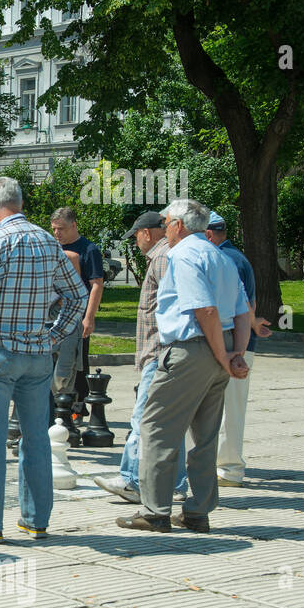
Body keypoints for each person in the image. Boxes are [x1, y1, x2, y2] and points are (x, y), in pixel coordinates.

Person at [0, 177, 87, 542]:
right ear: (19, 202)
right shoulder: (47, 241)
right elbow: (77, 295)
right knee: (36, 438)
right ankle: (36, 520)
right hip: (38, 355)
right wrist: (53, 335)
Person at [116, 199, 250, 534]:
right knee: (204, 436)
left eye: (165, 222)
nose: (163, 228)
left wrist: (222, 356)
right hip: (222, 347)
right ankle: (198, 511)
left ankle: (155, 511)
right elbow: (244, 310)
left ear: (177, 224)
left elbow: (203, 310)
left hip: (193, 350)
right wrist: (236, 355)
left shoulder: (184, 254)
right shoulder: (220, 256)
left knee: (156, 427)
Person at [94, 211, 188, 504]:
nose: (135, 243)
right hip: (167, 352)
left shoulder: (162, 258)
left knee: (143, 419)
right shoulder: (167, 256)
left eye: (135, 236)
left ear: (147, 233)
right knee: (170, 422)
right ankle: (176, 483)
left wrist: (155, 353)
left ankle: (133, 481)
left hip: (159, 353)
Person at [206, 211, 271, 487]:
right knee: (227, 407)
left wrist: (236, 351)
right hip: (235, 343)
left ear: (209, 234)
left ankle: (230, 469)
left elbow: (244, 307)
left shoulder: (227, 260)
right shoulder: (233, 257)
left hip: (234, 346)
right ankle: (226, 467)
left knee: (230, 409)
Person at [49, 207, 106, 409]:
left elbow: (96, 284)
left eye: (61, 229)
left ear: (73, 225)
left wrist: (89, 317)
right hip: (53, 312)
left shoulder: (88, 249)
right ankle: (57, 404)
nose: (57, 233)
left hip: (77, 313)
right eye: (54, 229)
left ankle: (77, 406)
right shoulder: (53, 247)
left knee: (77, 361)